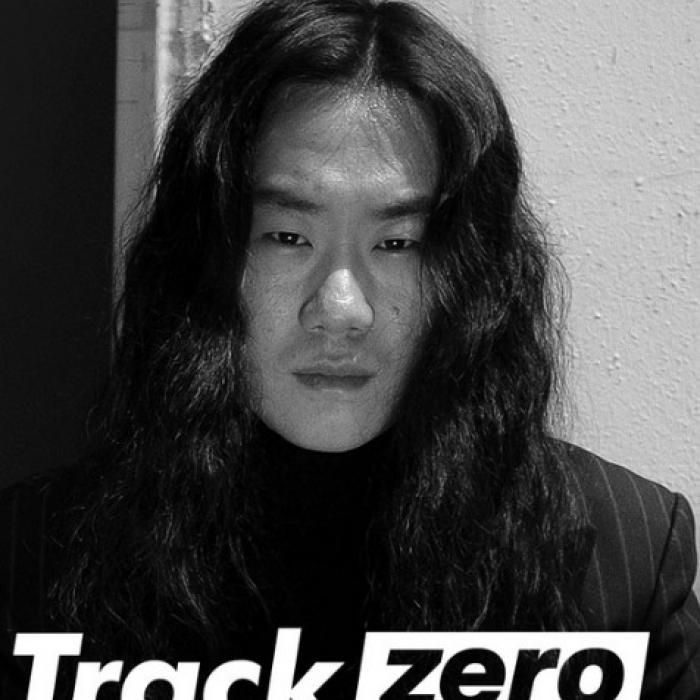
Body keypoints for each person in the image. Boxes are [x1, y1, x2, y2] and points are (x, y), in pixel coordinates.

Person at [1, 0, 698, 697]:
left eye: (397, 243)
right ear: (202, 255)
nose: (340, 309)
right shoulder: (34, 567)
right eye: (287, 237)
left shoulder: (623, 557)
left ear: (474, 276)